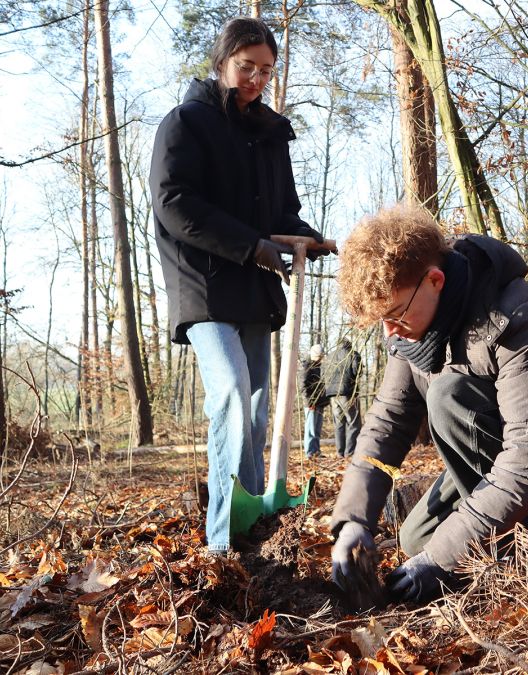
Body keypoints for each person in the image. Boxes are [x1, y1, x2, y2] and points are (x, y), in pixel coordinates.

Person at [330, 205, 528, 603]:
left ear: (435, 280)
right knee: (416, 538)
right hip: (505, 436)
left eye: (394, 314)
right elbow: (387, 423)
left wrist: (441, 561)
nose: (390, 332)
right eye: (380, 321)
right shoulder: (409, 331)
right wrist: (353, 522)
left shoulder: (517, 313)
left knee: (448, 396)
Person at [149, 17, 330, 555]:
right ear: (222, 62)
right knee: (229, 392)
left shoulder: (272, 136)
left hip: (256, 290)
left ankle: (255, 524)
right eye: (245, 66)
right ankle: (223, 541)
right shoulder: (185, 122)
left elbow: (285, 213)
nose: (255, 79)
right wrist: (251, 245)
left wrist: (310, 239)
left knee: (256, 407)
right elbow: (174, 202)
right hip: (203, 284)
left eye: (265, 71)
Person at [324, 338, 362, 458]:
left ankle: (340, 453)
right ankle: (350, 453)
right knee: (353, 422)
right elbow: (357, 371)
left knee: (339, 424)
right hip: (347, 393)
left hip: (333, 395)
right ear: (349, 345)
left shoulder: (329, 356)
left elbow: (322, 374)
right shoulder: (352, 354)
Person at [302, 344, 328, 458]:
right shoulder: (306, 367)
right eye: (320, 356)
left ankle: (316, 451)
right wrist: (310, 403)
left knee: (317, 429)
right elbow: (304, 387)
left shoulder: (319, 366)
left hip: (320, 403)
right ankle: (310, 452)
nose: (321, 358)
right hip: (311, 403)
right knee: (310, 429)